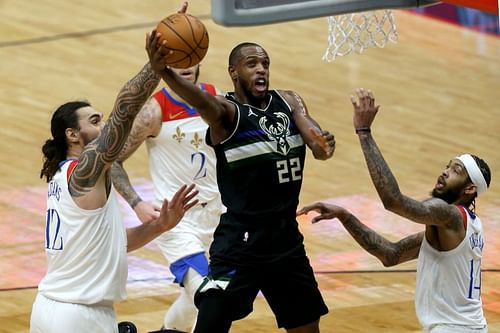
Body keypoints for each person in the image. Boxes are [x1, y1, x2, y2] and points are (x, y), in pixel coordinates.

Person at [156, 35, 336, 332]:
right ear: (234, 71)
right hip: (241, 241)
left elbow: (317, 144)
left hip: (285, 239)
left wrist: (322, 143)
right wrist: (164, 71)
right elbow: (200, 100)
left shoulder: (288, 101)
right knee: (211, 325)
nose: (261, 69)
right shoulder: (226, 113)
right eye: (252, 64)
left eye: (265, 63)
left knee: (306, 327)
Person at [30, 31, 199, 333]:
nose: (105, 125)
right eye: (95, 121)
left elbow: (114, 245)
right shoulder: (84, 172)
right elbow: (125, 110)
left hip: (52, 309)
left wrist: (160, 225)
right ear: (72, 135)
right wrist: (154, 66)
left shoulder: (64, 175)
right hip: (78, 317)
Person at [298, 88, 491, 333]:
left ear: (470, 188)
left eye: (456, 171)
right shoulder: (462, 228)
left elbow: (394, 201)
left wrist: (364, 132)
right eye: (448, 166)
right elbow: (390, 255)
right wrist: (345, 216)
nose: (445, 172)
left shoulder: (449, 215)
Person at [111, 53, 224, 333]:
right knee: (209, 297)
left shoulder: (215, 97)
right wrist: (136, 203)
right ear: (165, 66)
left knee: (196, 296)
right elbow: (111, 159)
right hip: (177, 220)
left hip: (221, 213)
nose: (186, 65)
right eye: (178, 58)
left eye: (191, 57)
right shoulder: (154, 111)